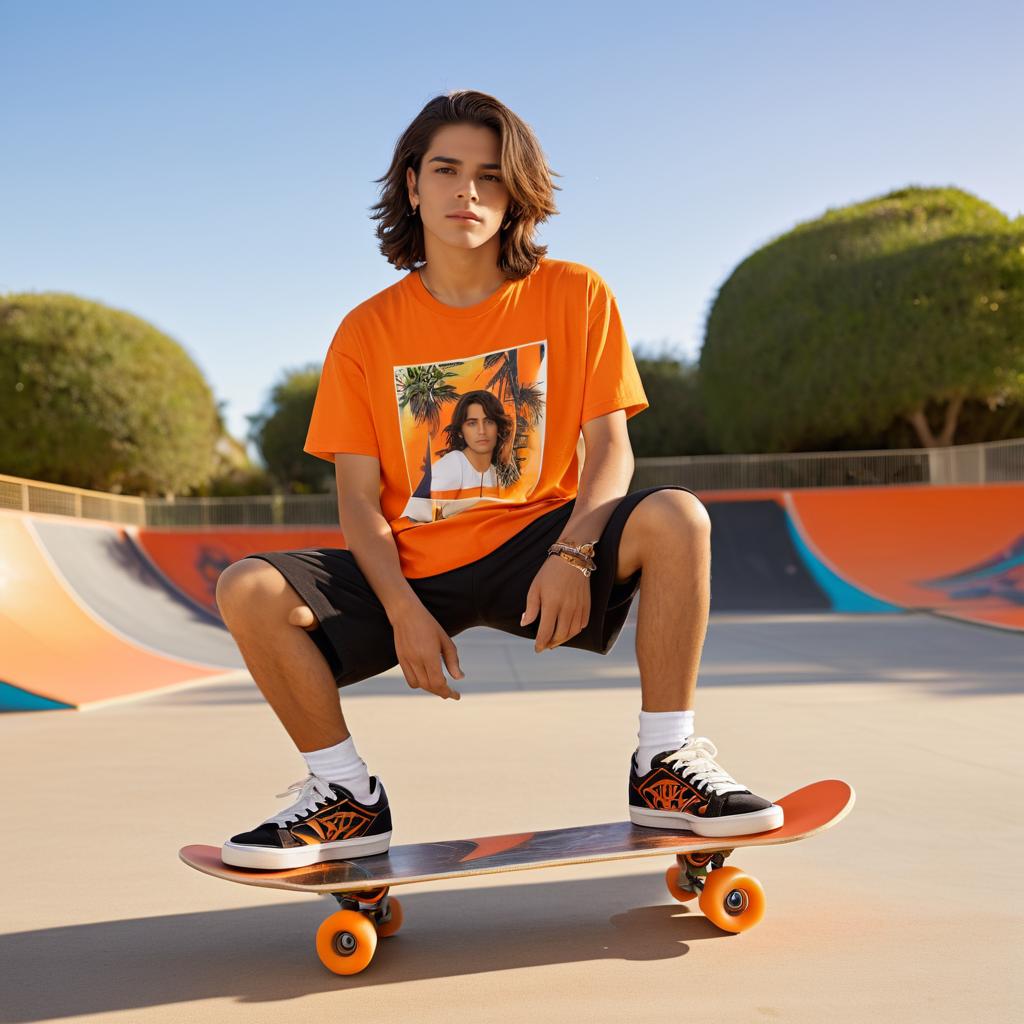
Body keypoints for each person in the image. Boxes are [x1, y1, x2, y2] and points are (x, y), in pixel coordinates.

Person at [216, 90, 783, 870]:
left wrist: (575, 552)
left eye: (490, 176)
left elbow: (610, 450)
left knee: (678, 517)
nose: (468, 193)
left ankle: (664, 765)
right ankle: (344, 795)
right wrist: (403, 612)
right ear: (412, 185)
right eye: (446, 171)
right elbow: (356, 500)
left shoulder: (575, 294)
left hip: (538, 544)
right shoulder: (365, 331)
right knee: (248, 589)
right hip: (414, 565)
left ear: (515, 193)